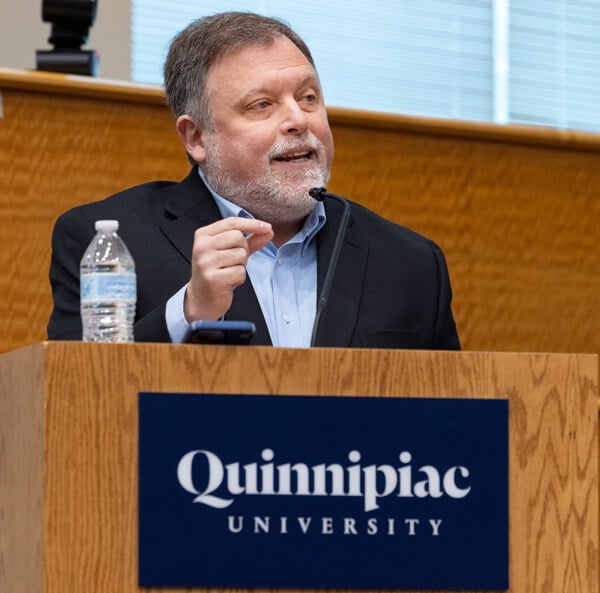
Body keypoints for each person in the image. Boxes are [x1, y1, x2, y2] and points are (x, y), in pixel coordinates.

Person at [47, 11, 460, 350]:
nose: (298, 119)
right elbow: (78, 399)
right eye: (262, 105)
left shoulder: (412, 263)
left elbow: (454, 423)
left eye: (308, 97)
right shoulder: (110, 244)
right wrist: (190, 310)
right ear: (196, 137)